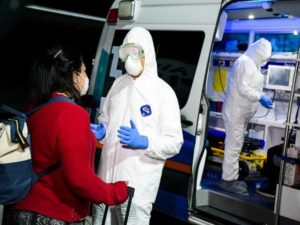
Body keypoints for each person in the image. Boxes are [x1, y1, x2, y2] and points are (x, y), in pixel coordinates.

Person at [2, 45, 128, 225]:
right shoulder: (72, 114)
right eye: (84, 71)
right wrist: (115, 192)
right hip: (51, 215)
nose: (86, 77)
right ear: (74, 76)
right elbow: (80, 179)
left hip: (18, 210)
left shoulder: (34, 106)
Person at [91, 27, 183, 225]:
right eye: (126, 53)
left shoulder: (163, 93)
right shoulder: (118, 85)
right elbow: (106, 119)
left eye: (136, 52)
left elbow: (175, 142)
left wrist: (145, 142)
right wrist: (103, 132)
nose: (130, 58)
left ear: (147, 54)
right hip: (105, 181)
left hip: (137, 188)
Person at [220, 38, 273, 195]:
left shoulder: (253, 64)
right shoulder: (244, 62)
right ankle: (228, 180)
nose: (264, 60)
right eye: (263, 57)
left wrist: (260, 96)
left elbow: (253, 87)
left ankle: (232, 176)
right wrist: (260, 97)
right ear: (257, 52)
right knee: (233, 146)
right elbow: (243, 88)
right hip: (235, 112)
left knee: (236, 144)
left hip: (242, 114)